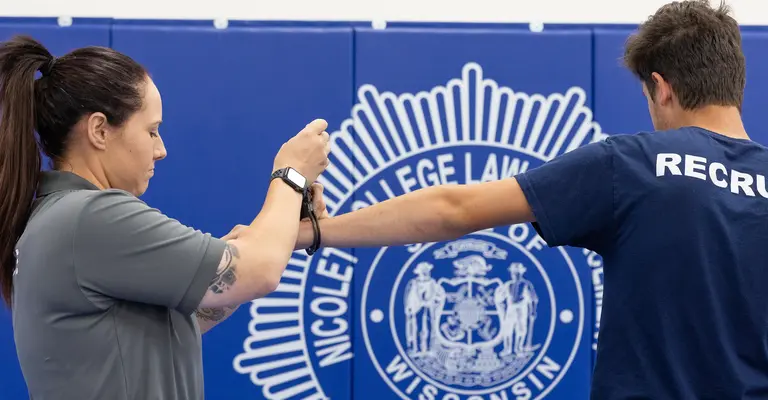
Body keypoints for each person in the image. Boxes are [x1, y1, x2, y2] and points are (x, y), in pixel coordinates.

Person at [292, 1, 768, 398]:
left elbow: (452, 209)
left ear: (661, 89)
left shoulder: (633, 164)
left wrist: (318, 230)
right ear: (735, 83)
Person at [0, 35, 330, 399]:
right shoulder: (89, 218)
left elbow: (185, 317)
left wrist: (271, 237)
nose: (161, 150)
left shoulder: (61, 218)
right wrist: (292, 174)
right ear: (98, 130)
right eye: (152, 130)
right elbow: (259, 271)